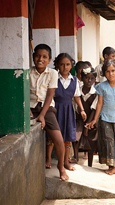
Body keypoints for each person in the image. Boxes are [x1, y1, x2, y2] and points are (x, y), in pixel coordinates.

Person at [29, 44, 69, 180]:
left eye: (44, 57)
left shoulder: (52, 73)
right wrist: (28, 110)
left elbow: (50, 95)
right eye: (37, 56)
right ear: (33, 57)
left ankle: (61, 167)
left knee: (59, 139)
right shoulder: (28, 72)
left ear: (49, 60)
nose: (40, 59)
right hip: (31, 107)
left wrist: (42, 115)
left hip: (46, 109)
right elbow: (23, 94)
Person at [45, 53, 87, 171]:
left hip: (69, 110)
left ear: (71, 65)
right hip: (55, 109)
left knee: (67, 137)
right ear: (57, 65)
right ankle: (48, 159)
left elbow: (77, 96)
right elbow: (50, 95)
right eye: (62, 64)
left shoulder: (74, 80)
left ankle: (66, 162)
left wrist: (82, 110)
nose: (65, 67)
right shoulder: (54, 78)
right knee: (52, 137)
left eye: (68, 64)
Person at [75, 67, 98, 167]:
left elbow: (94, 109)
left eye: (92, 78)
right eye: (86, 78)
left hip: (91, 119)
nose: (89, 81)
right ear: (81, 78)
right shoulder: (78, 91)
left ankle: (90, 164)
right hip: (79, 118)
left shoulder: (95, 92)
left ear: (95, 80)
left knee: (90, 141)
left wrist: (89, 123)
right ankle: (75, 157)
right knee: (76, 137)